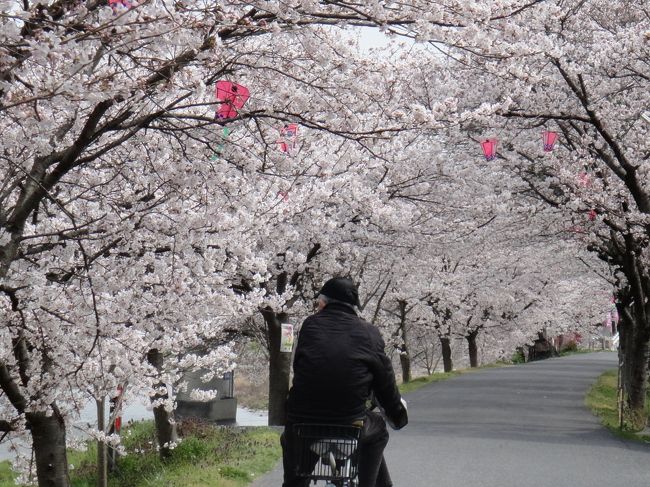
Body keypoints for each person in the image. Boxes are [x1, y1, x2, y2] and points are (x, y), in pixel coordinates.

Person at [281, 277, 408, 487]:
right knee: (377, 431)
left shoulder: (310, 325)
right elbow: (385, 382)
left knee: (293, 443)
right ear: (354, 307)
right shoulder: (369, 333)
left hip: (303, 422)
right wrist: (397, 414)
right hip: (349, 422)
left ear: (323, 303)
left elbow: (301, 367)